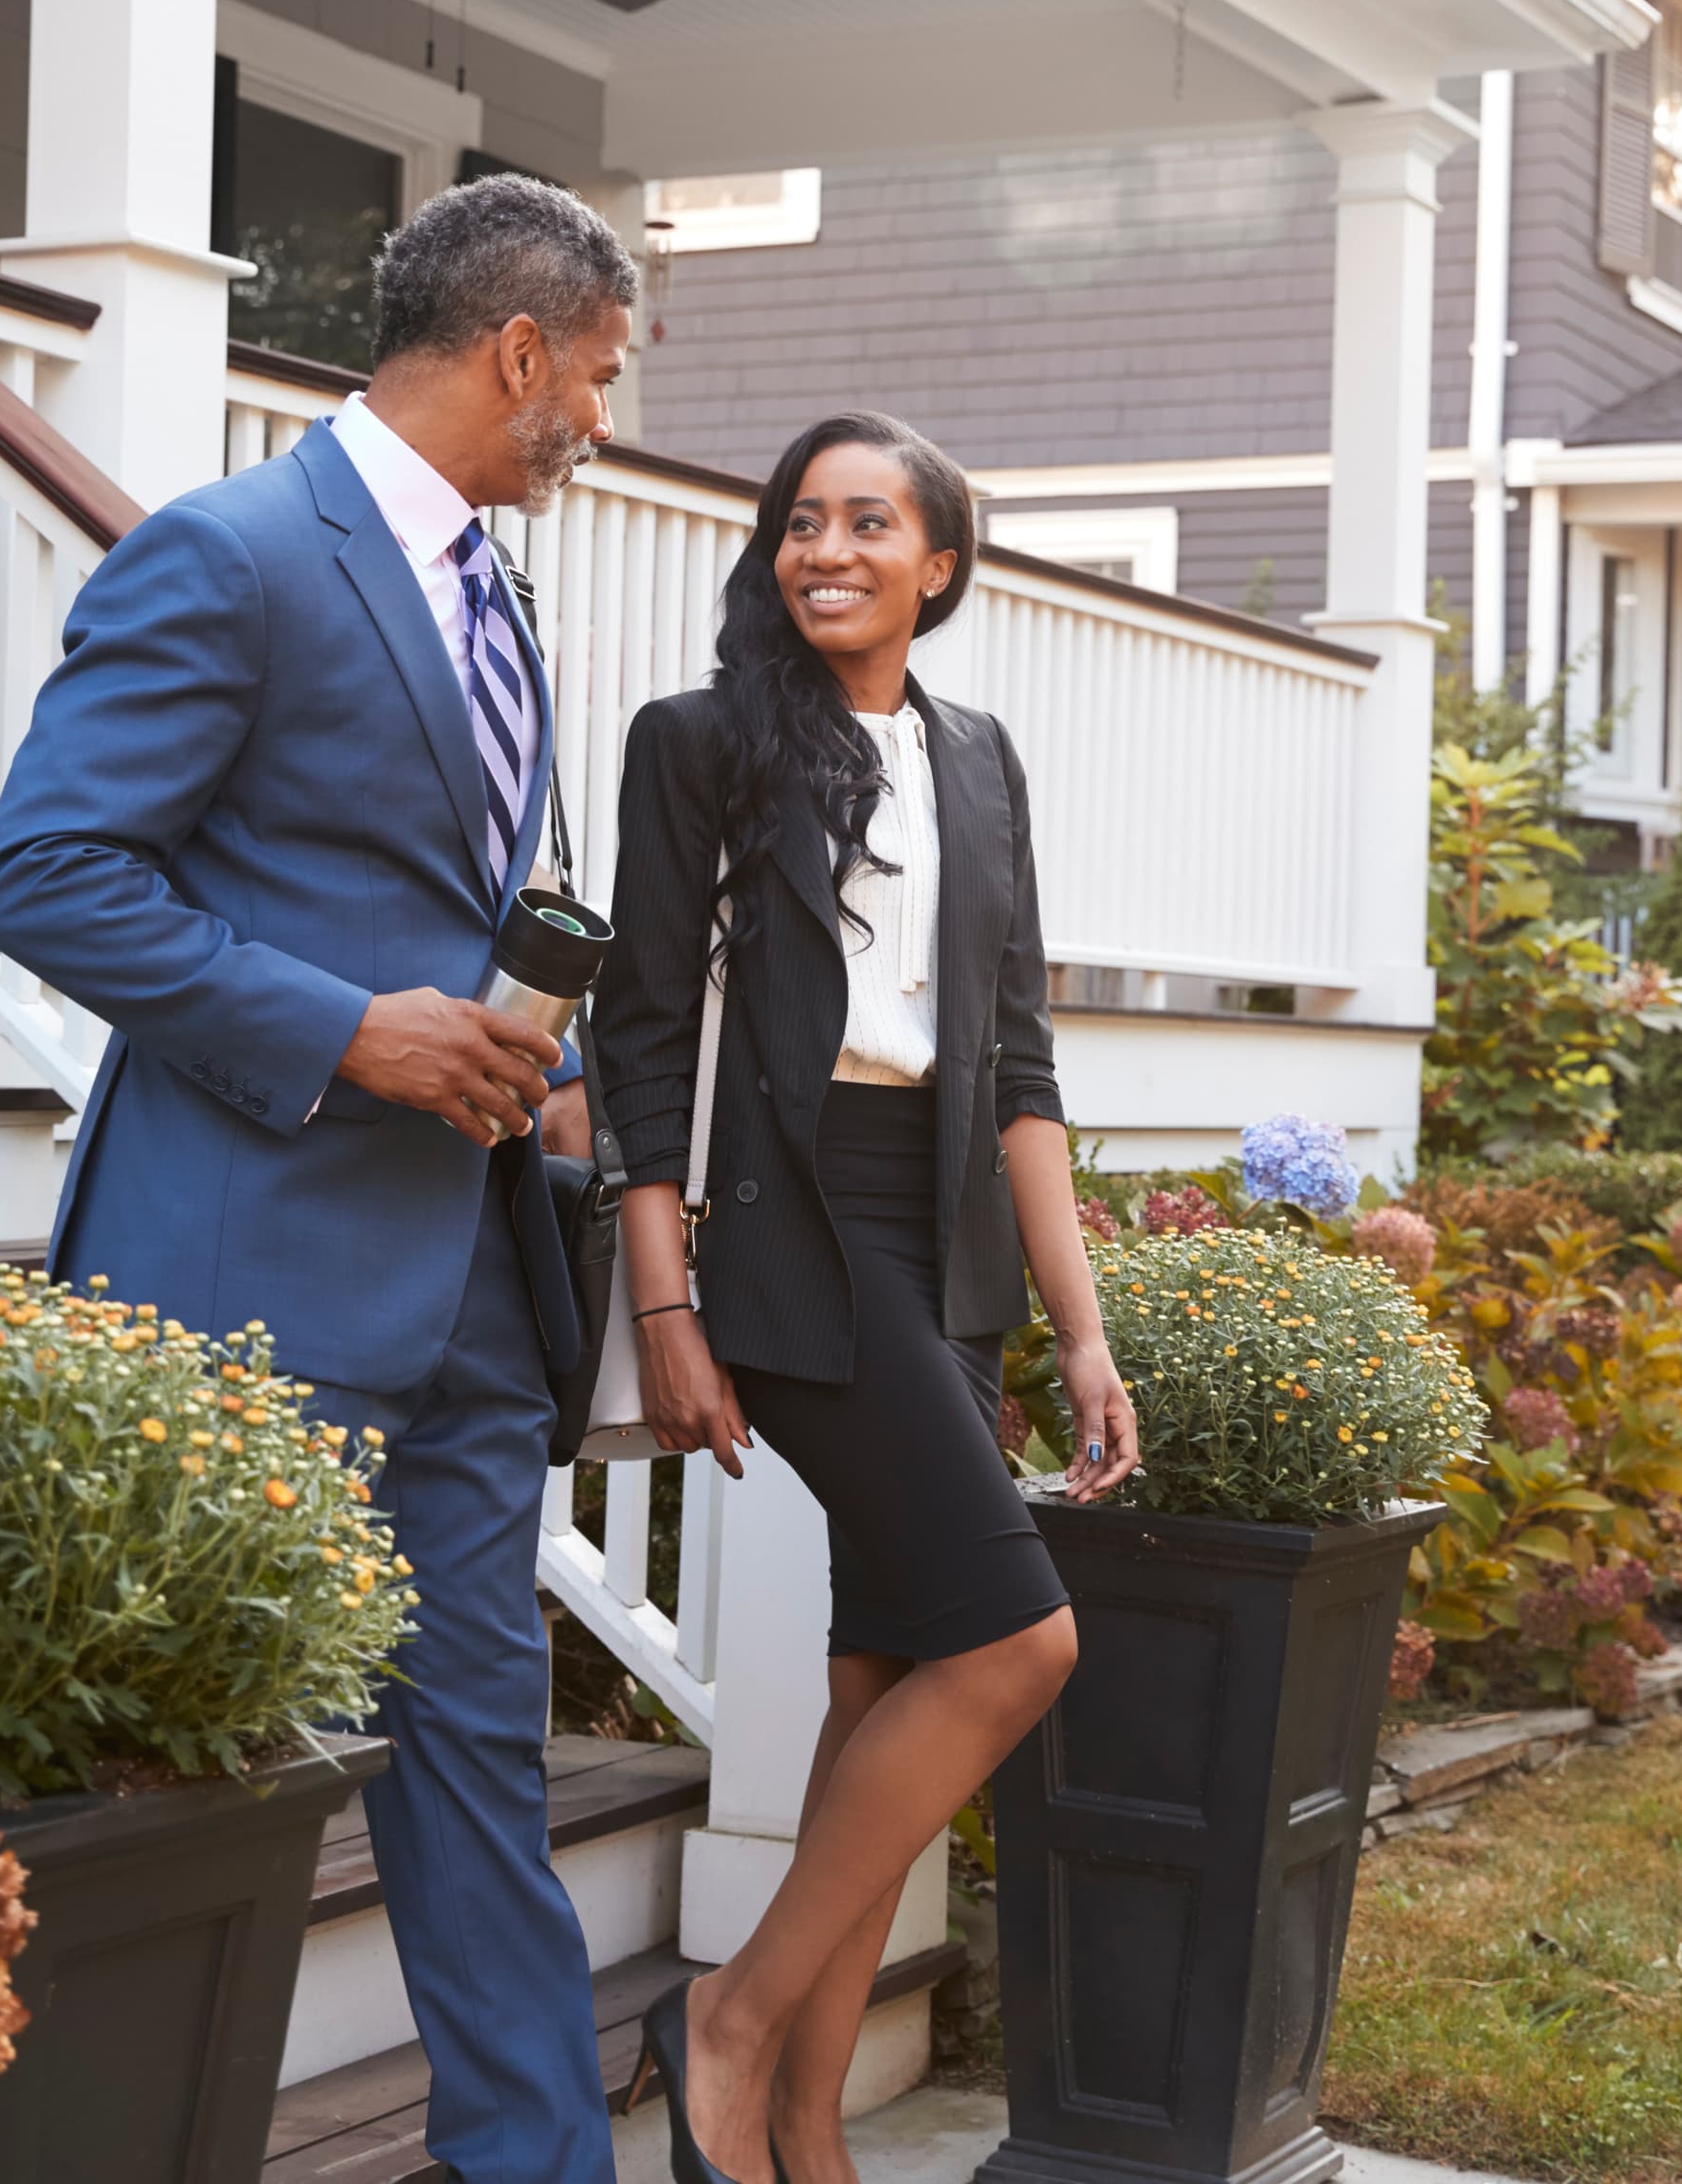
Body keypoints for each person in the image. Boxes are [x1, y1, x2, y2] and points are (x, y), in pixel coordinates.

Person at [0, 174, 634, 2184]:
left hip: (478, 1297)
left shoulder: (496, 591)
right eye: (596, 377)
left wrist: (558, 1067)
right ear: (518, 351)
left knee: (479, 1784)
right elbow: (47, 874)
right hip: (245, 1286)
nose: (598, 419)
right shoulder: (232, 552)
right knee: (163, 1792)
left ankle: (538, 2163)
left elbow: (467, 891)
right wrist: (352, 1028)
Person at [586, 410, 1141, 2184]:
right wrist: (665, 1302)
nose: (826, 548)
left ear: (940, 565)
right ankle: (730, 2026)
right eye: (802, 522)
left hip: (950, 1237)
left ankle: (810, 2136)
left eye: (868, 522)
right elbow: (647, 1030)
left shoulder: (978, 759)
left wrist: (1080, 1322)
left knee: (881, 1673)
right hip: (791, 1229)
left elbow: (1023, 1055)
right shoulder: (698, 745)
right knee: (1018, 1639)